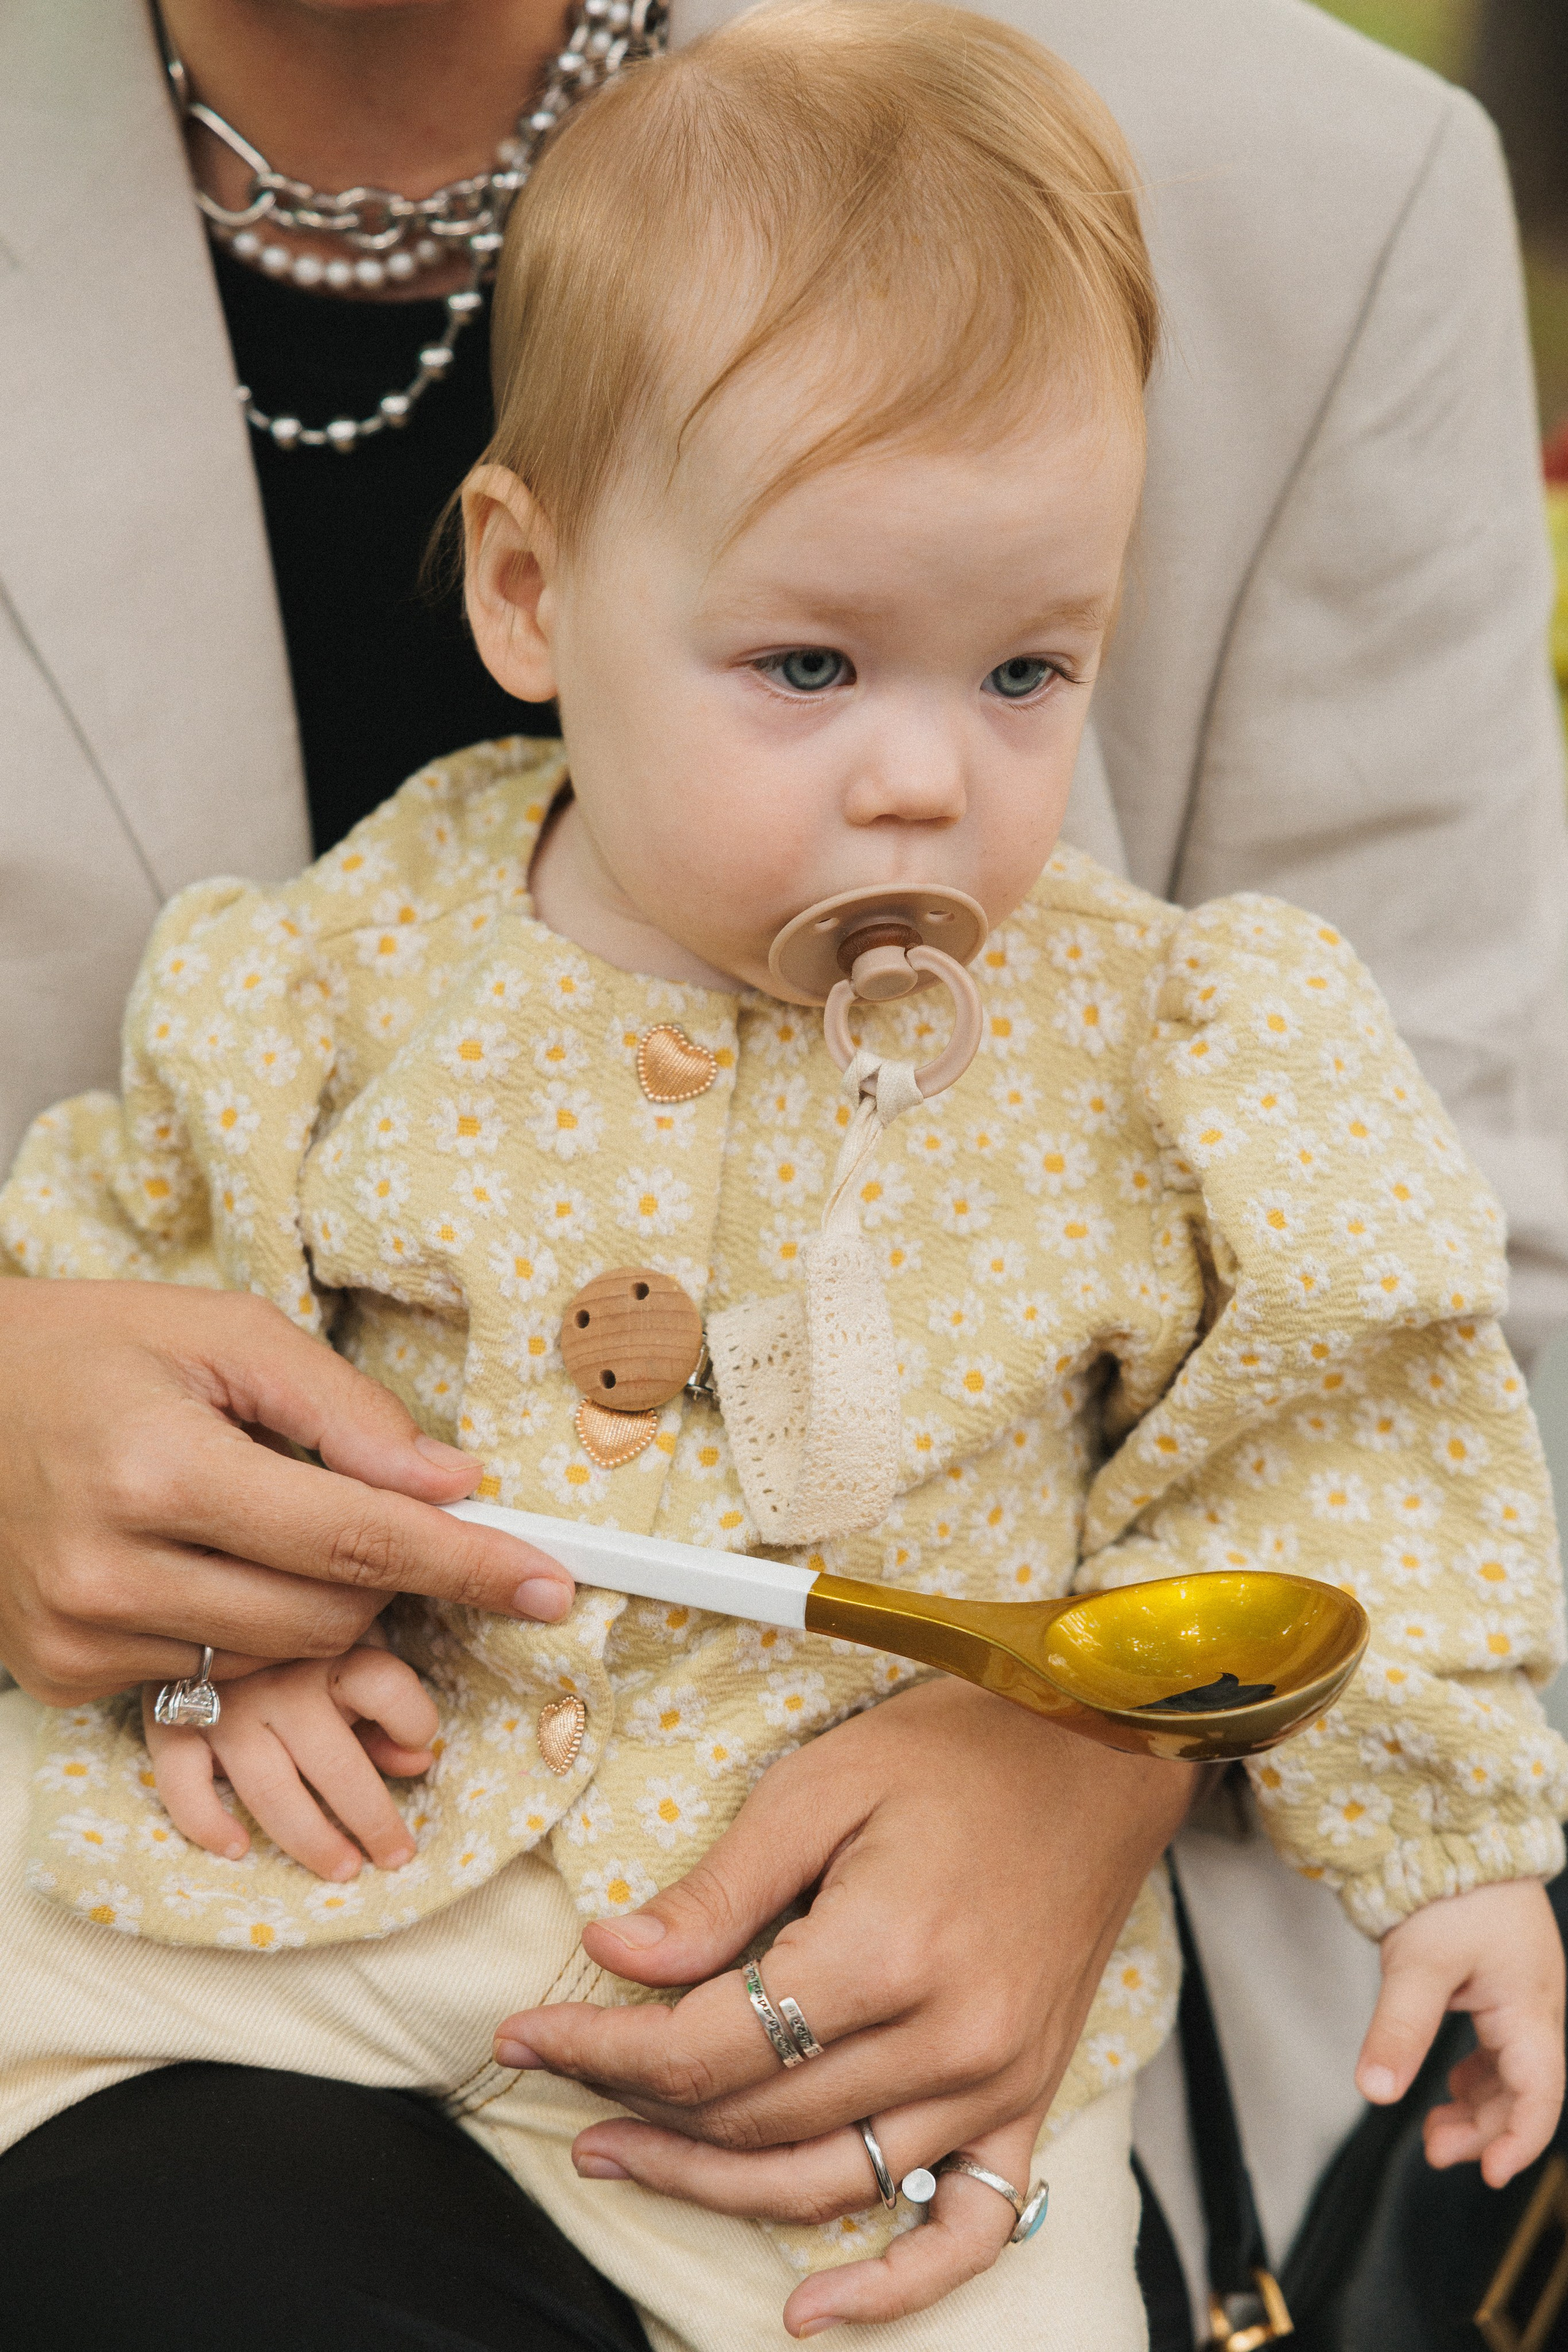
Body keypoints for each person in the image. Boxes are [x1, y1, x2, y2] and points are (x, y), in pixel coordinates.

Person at [1, 0, 1565, 2342]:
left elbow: (1373, 1424)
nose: (931, 780)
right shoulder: (345, 959)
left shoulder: (1174, 1040)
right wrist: (134, 1529)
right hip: (300, 1888)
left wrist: (1442, 1844)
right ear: (524, 597)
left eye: (1031, 677)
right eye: (814, 666)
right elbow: (147, 1229)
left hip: (862, 2060)